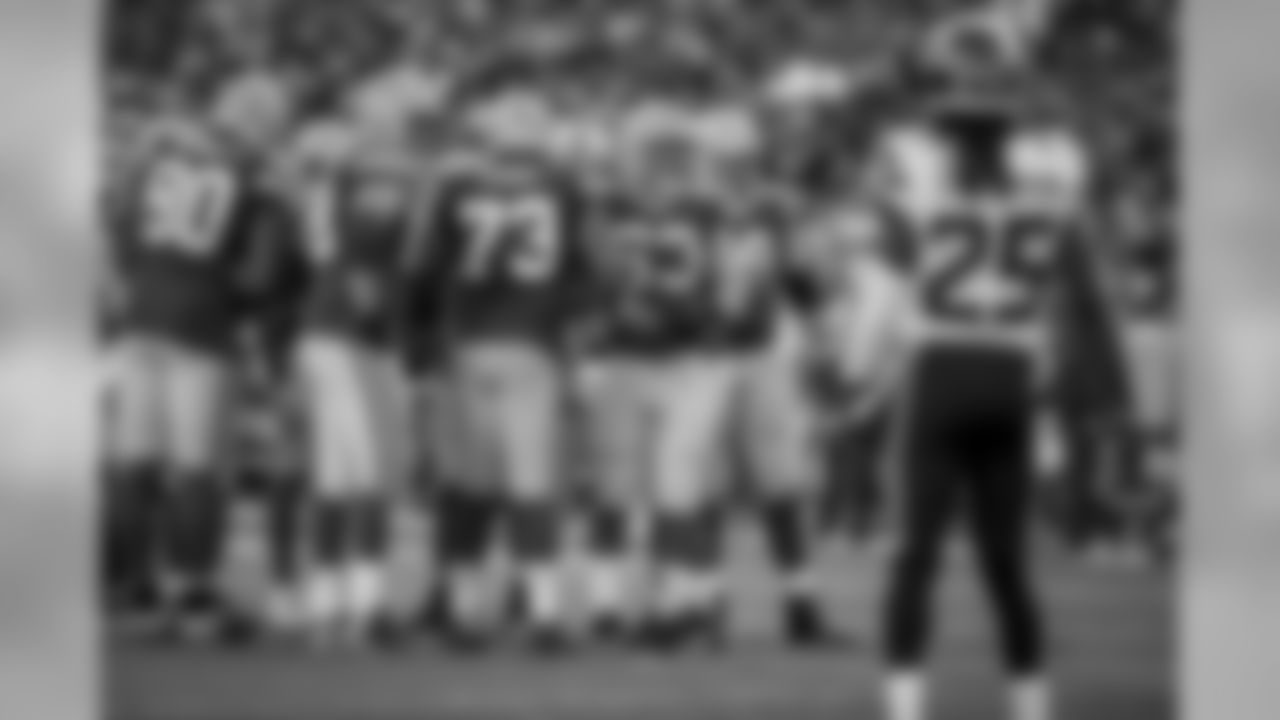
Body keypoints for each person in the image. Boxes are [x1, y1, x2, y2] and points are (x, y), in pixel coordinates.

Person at [870, 66, 1120, 720]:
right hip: (1010, 379)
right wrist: (1109, 398)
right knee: (1007, 564)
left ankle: (905, 708)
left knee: (914, 554)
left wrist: (855, 375)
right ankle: (1030, 705)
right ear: (1006, 140)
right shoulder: (1052, 204)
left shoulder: (919, 201)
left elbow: (881, 286)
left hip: (941, 371)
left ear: (951, 141)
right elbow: (1089, 304)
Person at [106, 110, 290, 641]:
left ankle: (127, 588)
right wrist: (230, 303)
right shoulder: (257, 191)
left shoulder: (153, 172)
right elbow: (262, 277)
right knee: (195, 468)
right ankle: (192, 591)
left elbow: (122, 239)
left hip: (143, 320)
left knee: (133, 463)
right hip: (201, 327)